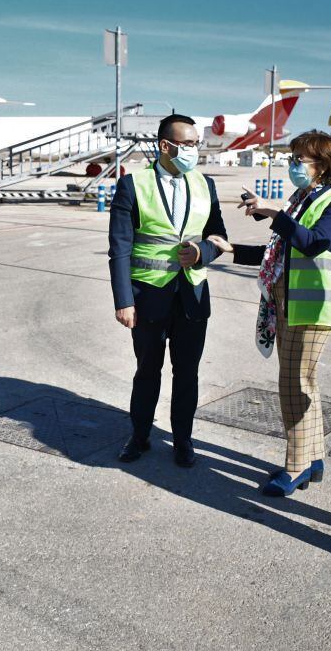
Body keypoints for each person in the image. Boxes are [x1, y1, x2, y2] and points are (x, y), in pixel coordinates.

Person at [207, 130, 331, 496]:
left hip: (314, 307)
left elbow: (315, 242)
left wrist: (275, 213)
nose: (292, 166)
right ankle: (314, 457)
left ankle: (297, 465)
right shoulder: (302, 200)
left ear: (322, 165)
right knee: (304, 383)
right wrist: (231, 249)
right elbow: (277, 252)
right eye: (291, 159)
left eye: (298, 160)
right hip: (288, 304)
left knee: (293, 386)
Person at [108, 114, 228, 467]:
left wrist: (202, 253)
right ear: (166, 145)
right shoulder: (134, 185)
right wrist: (124, 300)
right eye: (188, 144)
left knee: (187, 373)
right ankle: (140, 434)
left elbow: (219, 237)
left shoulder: (206, 184)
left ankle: (183, 440)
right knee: (147, 370)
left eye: (196, 144)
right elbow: (120, 247)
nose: (193, 150)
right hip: (148, 297)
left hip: (192, 296)